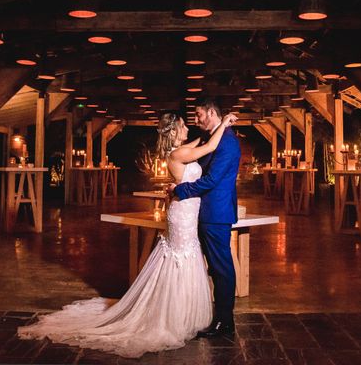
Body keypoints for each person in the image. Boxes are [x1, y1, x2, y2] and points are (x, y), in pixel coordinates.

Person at [17, 111, 237, 359]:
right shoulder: (177, 154)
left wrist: (214, 129)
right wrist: (225, 123)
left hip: (186, 211)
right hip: (183, 214)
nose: (189, 127)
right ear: (174, 131)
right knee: (180, 258)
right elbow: (208, 146)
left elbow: (201, 144)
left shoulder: (180, 149)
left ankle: (181, 313)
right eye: (184, 125)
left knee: (185, 258)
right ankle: (173, 316)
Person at [168, 96, 241, 338]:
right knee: (211, 268)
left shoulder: (228, 143)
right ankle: (211, 316)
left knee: (221, 268)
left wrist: (180, 190)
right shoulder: (214, 137)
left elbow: (211, 180)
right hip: (203, 212)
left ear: (210, 113)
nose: (196, 119)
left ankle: (225, 321)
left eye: (199, 114)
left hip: (216, 213)